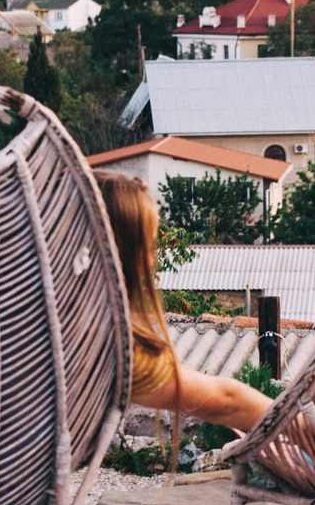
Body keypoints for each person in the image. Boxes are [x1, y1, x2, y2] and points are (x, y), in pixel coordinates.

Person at [95, 173, 273, 433]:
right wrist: (305, 425)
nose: (152, 261)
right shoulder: (113, 347)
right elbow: (226, 401)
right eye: (148, 247)